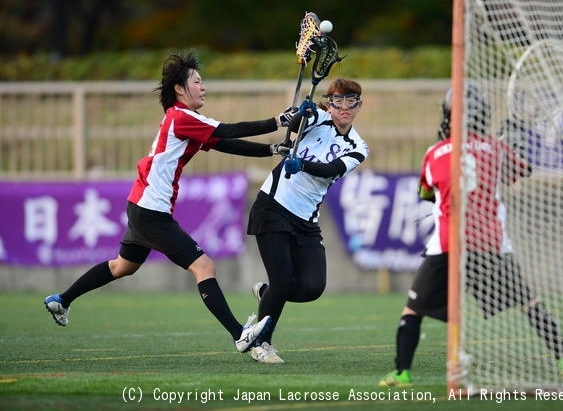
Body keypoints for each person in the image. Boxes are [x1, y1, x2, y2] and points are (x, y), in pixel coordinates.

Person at [44, 50, 299, 354]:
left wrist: (272, 149)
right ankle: (239, 335)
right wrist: (277, 120)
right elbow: (227, 130)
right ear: (180, 89)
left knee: (121, 266)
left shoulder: (184, 119)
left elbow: (224, 143)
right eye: (197, 81)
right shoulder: (181, 116)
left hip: (142, 205)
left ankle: (61, 300)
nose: (203, 87)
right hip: (150, 209)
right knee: (204, 267)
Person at [378, 84, 563, 386]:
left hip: (449, 245)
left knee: (413, 310)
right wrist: (512, 141)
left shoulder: (434, 152)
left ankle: (402, 372)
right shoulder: (498, 149)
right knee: (529, 303)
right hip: (491, 245)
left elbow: (425, 193)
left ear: (449, 115)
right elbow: (523, 171)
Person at [246, 78, 369, 363]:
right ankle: (261, 344)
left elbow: (331, 169)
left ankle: (267, 293)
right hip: (273, 207)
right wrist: (302, 113)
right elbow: (295, 126)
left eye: (351, 100)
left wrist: (302, 164)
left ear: (359, 105)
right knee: (282, 280)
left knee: (312, 287)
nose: (344, 106)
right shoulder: (318, 118)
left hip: (306, 220)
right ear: (329, 102)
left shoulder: (358, 146)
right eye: (338, 100)